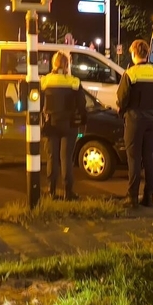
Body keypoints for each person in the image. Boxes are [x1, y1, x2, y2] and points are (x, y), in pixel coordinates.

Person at [117, 40, 153, 207]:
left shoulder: (130, 74)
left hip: (134, 120)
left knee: (134, 159)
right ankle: (149, 196)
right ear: (147, 54)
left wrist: (122, 111)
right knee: (149, 158)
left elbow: (122, 98)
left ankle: (132, 197)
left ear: (133, 54)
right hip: (151, 120)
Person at [40, 51, 87, 200]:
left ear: (53, 64)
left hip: (51, 123)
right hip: (69, 124)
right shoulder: (74, 82)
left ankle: (51, 191)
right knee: (66, 158)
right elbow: (82, 105)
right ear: (67, 65)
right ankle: (68, 192)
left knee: (52, 157)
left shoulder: (45, 81)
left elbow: (38, 103)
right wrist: (82, 120)